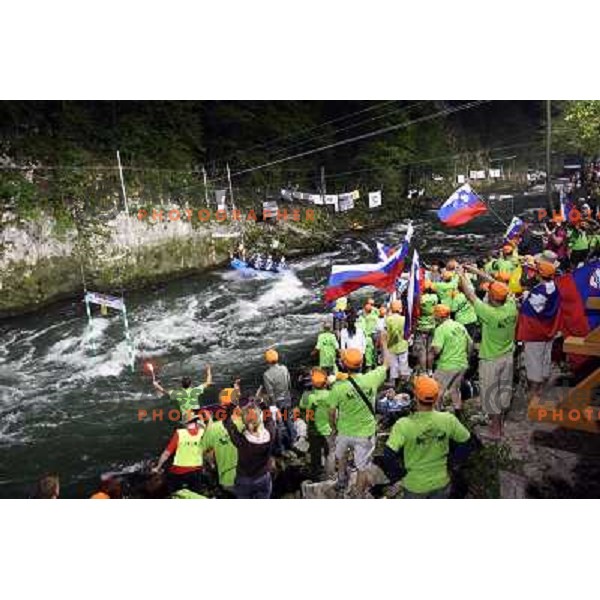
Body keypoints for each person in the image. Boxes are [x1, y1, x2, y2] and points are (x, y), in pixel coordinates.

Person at [383, 375, 471, 499]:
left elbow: (388, 455)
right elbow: (467, 442)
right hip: (441, 481)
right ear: (436, 398)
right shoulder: (448, 419)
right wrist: (453, 463)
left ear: (415, 396)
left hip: (414, 485)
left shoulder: (403, 424)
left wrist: (398, 475)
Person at [459, 272, 517, 440]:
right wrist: (476, 271)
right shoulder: (511, 306)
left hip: (491, 359)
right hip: (507, 355)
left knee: (491, 396)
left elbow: (470, 294)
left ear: (491, 298)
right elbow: (500, 287)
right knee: (502, 391)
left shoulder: (489, 314)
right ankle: (497, 422)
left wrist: (461, 274)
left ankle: (495, 430)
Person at [329, 348, 388, 497]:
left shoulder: (338, 387)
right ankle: (359, 495)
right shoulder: (371, 378)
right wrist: (384, 343)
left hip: (344, 431)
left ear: (344, 364)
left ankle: (341, 479)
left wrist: (333, 427)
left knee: (341, 455)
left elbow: (331, 412)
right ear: (361, 363)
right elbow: (387, 363)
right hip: (365, 433)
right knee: (362, 467)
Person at [516, 260, 558, 406]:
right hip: (549, 330)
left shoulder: (541, 290)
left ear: (540, 275)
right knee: (545, 361)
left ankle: (535, 398)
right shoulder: (555, 287)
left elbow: (529, 309)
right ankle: (542, 391)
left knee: (534, 364)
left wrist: (525, 297)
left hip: (536, 333)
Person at [224, 400, 276, 499]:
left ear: (244, 421)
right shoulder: (270, 434)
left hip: (244, 480)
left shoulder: (241, 441)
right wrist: (262, 403)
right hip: (263, 477)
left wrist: (232, 405)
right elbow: (269, 419)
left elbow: (227, 421)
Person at [430, 304, 473, 415]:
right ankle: (458, 414)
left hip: (447, 365)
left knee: (437, 392)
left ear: (439, 316)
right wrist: (467, 357)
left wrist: (432, 350)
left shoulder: (441, 329)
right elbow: (471, 344)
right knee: (455, 389)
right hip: (462, 364)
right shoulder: (460, 326)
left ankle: (437, 417)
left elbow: (437, 350)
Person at [201, 386, 243, 495]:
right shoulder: (247, 422)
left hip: (228, 480)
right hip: (253, 475)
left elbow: (201, 451)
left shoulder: (213, 428)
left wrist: (209, 423)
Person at [152, 412, 206, 494]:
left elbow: (167, 453)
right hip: (196, 470)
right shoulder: (203, 433)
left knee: (174, 492)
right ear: (196, 421)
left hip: (178, 471)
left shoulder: (180, 433)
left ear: (185, 423)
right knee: (196, 493)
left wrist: (158, 467)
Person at [299, 368, 335, 480]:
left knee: (315, 454)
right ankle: (330, 474)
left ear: (313, 384)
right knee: (330, 453)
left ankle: (316, 475)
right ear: (325, 383)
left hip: (313, 430)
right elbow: (334, 413)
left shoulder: (307, 396)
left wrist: (307, 420)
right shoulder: (331, 395)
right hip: (328, 430)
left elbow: (302, 410)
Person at [262, 348, 295, 453]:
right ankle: (293, 441)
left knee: (278, 424)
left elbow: (270, 393)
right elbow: (289, 383)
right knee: (288, 420)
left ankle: (281, 448)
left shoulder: (267, 375)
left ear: (267, 361)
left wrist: (273, 405)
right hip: (287, 398)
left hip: (277, 402)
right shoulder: (284, 369)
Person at [381, 299, 411, 386]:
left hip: (392, 346)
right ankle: (403, 383)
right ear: (400, 309)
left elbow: (385, 333)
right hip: (403, 345)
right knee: (403, 363)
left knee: (393, 365)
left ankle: (393, 383)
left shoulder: (388, 319)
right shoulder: (404, 319)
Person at [413, 280, 439, 372]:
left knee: (422, 351)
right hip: (432, 326)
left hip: (421, 327)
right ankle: (430, 370)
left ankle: (423, 372)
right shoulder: (434, 297)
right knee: (430, 350)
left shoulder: (420, 299)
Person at [357, 300, 379, 371]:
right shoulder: (375, 313)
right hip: (373, 334)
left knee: (368, 351)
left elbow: (362, 328)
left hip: (368, 336)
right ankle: (374, 365)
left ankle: (368, 366)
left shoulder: (363, 317)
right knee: (373, 351)